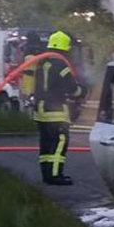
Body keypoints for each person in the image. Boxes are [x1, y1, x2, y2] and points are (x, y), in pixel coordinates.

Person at [33, 31, 86, 185]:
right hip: (54, 111)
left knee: (46, 143)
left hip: (40, 110)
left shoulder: (42, 63)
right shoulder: (61, 64)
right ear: (64, 48)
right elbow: (71, 88)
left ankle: (47, 175)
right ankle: (56, 175)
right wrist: (82, 91)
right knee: (60, 142)